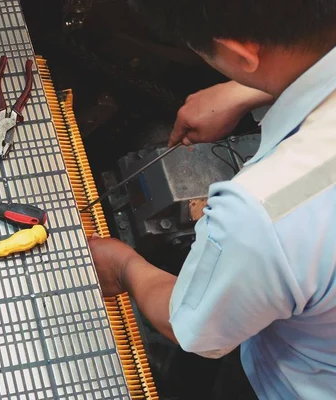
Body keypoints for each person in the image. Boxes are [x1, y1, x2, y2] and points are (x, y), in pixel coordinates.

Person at [89, 1, 336, 399]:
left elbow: (193, 328)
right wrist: (247, 89)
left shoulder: (262, 216)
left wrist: (123, 265)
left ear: (241, 53)